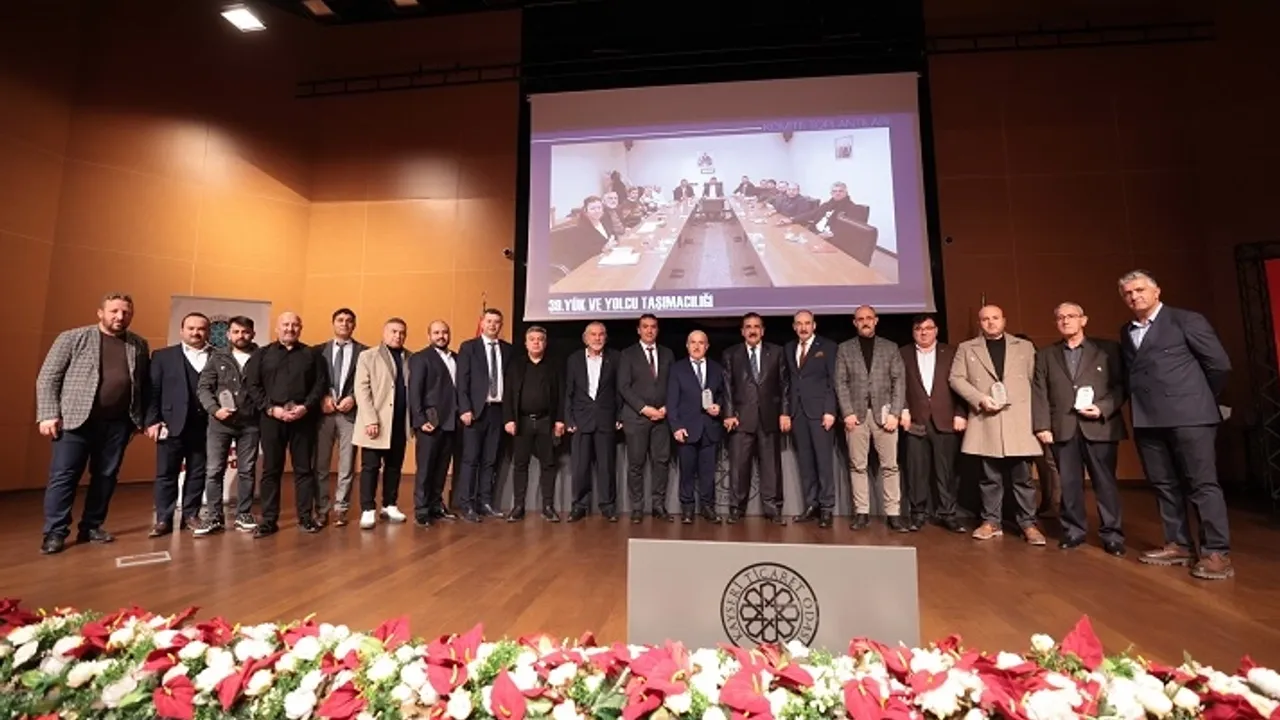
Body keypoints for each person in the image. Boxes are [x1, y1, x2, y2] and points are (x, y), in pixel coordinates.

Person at [1118, 269, 1233, 580]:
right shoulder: (1126, 331)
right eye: (1128, 293)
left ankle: (1216, 552)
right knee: (1164, 484)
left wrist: (1200, 398)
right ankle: (1178, 544)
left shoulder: (1186, 320)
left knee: (1202, 484)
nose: (1135, 296)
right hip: (1148, 419)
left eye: (1140, 289)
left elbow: (1219, 364)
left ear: (1157, 291)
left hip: (1190, 416)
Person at [35, 293, 150, 555]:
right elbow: (48, 378)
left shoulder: (138, 344)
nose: (120, 317)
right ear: (100, 313)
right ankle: (55, 532)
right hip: (74, 421)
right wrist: (48, 413)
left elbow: (142, 385)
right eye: (114, 311)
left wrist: (139, 420)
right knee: (64, 477)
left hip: (117, 424)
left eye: (126, 312)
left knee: (106, 476)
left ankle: (92, 525)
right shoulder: (72, 338)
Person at [1032, 302, 1126, 555]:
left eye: (1071, 316)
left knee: (1105, 483)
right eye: (1060, 317)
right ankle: (1073, 531)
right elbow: (1039, 392)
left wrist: (1103, 407)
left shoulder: (1107, 350)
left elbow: (1121, 387)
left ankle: (1113, 535)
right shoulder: (1045, 355)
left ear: (1083, 320)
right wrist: (1042, 425)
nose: (1065, 321)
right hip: (1063, 427)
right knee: (1070, 484)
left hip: (1100, 426)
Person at [949, 305, 1046, 545]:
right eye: (985, 319)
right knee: (989, 477)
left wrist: (1042, 421)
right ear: (980, 323)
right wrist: (979, 398)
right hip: (986, 419)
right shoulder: (966, 348)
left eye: (995, 318)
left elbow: (1038, 383)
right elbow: (956, 378)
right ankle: (991, 522)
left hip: (1019, 420)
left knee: (1023, 477)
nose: (990, 323)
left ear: (1004, 320)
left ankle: (1028, 524)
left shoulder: (1024, 347)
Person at [244, 312, 328, 537]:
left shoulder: (312, 355)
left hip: (303, 419)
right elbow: (252, 385)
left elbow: (320, 385)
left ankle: (305, 518)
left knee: (304, 470)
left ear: (301, 328)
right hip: (272, 418)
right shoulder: (261, 355)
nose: (290, 328)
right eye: (285, 324)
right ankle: (269, 520)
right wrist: (272, 409)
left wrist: (306, 407)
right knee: (271, 470)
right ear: (276, 328)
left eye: (294, 325)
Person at [834, 305, 907, 532]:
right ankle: (862, 513)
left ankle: (893, 514)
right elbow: (840, 383)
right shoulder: (845, 349)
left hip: (885, 416)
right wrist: (847, 413)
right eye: (860, 319)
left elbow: (899, 383)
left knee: (890, 467)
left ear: (876, 320)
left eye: (868, 318)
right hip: (856, 416)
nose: (865, 322)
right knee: (858, 466)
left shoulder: (890, 347)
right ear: (854, 323)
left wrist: (895, 413)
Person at [145, 312, 213, 537]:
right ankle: (163, 519)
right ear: (182, 331)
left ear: (208, 332)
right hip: (170, 424)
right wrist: (152, 421)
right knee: (166, 473)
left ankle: (191, 515)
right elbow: (153, 391)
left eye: (201, 329)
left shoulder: (219, 357)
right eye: (191, 328)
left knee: (197, 472)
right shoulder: (162, 356)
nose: (196, 333)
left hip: (205, 427)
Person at [899, 315, 967, 533]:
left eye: (928, 328)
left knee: (946, 471)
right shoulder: (903, 354)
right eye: (919, 328)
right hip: (915, 421)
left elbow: (963, 385)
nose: (924, 332)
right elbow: (898, 386)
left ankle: (948, 513)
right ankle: (918, 514)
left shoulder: (952, 353)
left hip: (946, 420)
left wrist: (960, 413)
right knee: (916, 471)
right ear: (913, 331)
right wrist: (904, 409)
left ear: (936, 330)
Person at [194, 315, 260, 535]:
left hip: (250, 424)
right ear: (228, 334)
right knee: (213, 470)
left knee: (247, 471)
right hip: (219, 424)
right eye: (236, 332)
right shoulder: (216, 357)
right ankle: (214, 517)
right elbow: (204, 388)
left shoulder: (261, 357)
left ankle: (243, 514)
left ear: (253, 334)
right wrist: (215, 410)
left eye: (245, 332)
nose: (241, 336)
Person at [722, 313, 790, 524]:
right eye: (748, 327)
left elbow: (785, 385)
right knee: (739, 467)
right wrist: (729, 414)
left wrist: (785, 412)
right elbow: (727, 388)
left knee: (771, 467)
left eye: (756, 326)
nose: (752, 330)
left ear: (763, 330)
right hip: (741, 419)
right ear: (742, 331)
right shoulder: (731, 354)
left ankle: (773, 509)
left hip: (769, 418)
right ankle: (736, 508)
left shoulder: (777, 352)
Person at [351, 318, 411, 530]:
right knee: (370, 467)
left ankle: (390, 504)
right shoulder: (368, 356)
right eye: (394, 331)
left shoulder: (410, 358)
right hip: (375, 423)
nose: (398, 336)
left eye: (402, 332)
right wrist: (370, 419)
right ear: (384, 333)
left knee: (394, 467)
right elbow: (361, 389)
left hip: (400, 423)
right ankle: (368, 508)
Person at [502, 326, 565, 522]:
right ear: (526, 343)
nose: (536, 342)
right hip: (522, 422)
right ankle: (519, 506)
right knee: (520, 464)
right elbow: (508, 395)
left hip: (547, 421)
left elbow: (562, 395)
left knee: (548, 464)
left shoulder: (554, 365)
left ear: (545, 343)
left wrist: (560, 420)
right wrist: (509, 419)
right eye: (532, 339)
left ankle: (547, 506)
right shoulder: (516, 366)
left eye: (540, 339)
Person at [456, 308, 512, 522]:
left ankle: (485, 502)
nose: (492, 325)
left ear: (501, 325)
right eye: (489, 321)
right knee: (471, 459)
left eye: (497, 322)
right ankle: (467, 504)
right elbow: (462, 381)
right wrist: (465, 408)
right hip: (475, 412)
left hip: (498, 411)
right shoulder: (469, 347)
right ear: (481, 323)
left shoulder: (508, 350)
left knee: (490, 460)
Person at [617, 314, 674, 523]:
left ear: (657, 330)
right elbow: (623, 386)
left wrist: (667, 406)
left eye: (653, 327)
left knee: (661, 462)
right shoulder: (627, 354)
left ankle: (658, 505)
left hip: (663, 417)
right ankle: (638, 508)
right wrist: (644, 408)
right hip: (636, 418)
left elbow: (673, 384)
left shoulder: (667, 354)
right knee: (636, 464)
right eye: (645, 327)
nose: (649, 330)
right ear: (638, 330)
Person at [783, 310, 839, 527]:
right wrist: (787, 411)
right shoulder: (789, 348)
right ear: (794, 326)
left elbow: (833, 381)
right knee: (805, 463)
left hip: (820, 414)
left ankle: (826, 508)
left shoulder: (828, 347)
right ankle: (811, 504)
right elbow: (788, 383)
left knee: (824, 462)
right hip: (798, 414)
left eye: (807, 323)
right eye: (799, 324)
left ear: (814, 325)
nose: (803, 327)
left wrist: (830, 410)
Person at [564, 322, 621, 522]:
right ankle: (579, 505)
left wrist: (619, 416)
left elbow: (619, 390)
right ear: (585, 338)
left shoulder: (615, 358)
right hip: (580, 420)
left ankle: (607, 506)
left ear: (605, 337)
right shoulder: (574, 359)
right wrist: (568, 418)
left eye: (601, 335)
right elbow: (568, 391)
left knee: (606, 466)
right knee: (580, 467)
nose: (597, 338)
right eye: (593, 335)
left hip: (606, 420)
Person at [314, 308, 367, 527]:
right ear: (333, 323)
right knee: (321, 464)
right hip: (324, 414)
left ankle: (341, 508)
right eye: (340, 320)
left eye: (349, 321)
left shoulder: (364, 353)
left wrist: (354, 398)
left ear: (354, 325)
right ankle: (322, 508)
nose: (344, 324)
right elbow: (311, 381)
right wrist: (321, 398)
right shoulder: (317, 351)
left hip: (349, 414)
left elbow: (367, 381)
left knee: (346, 464)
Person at [668, 330, 726, 524]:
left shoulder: (717, 369)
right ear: (687, 345)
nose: (697, 346)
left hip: (710, 428)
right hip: (686, 430)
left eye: (701, 343)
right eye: (693, 342)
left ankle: (708, 507)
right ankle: (687, 509)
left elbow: (723, 396)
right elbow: (672, 401)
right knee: (687, 472)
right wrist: (676, 426)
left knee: (708, 472)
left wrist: (720, 407)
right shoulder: (677, 369)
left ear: (707, 346)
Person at [408, 320, 460, 527]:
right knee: (425, 468)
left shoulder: (455, 357)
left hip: (451, 422)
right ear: (429, 335)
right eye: (436, 332)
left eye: (445, 332)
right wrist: (420, 420)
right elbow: (415, 391)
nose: (441, 336)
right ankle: (421, 509)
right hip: (430, 422)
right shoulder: (421, 358)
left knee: (441, 468)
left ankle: (436, 506)